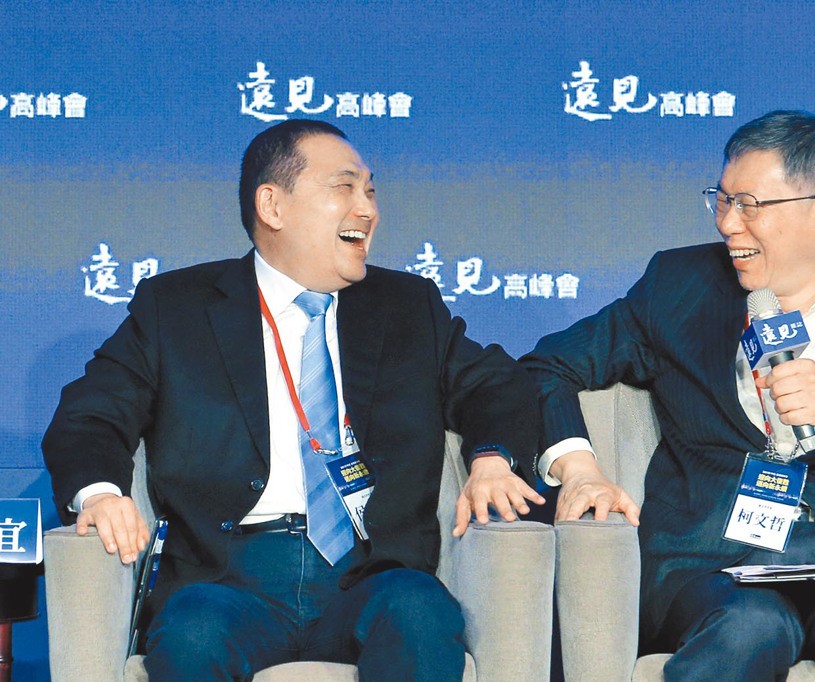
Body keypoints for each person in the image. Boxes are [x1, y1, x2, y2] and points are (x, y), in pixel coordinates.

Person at [43, 119, 544, 681]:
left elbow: (497, 383)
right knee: (192, 632)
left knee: (420, 611)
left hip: (372, 573)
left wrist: (491, 458)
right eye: (344, 187)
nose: (368, 210)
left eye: (370, 191)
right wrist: (100, 494)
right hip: (228, 580)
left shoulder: (406, 306)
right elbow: (91, 413)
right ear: (272, 206)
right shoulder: (175, 308)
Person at [520, 110, 815, 681]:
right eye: (721, 200)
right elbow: (546, 366)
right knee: (749, 629)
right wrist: (579, 469)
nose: (728, 224)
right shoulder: (679, 286)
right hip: (715, 562)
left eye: (749, 205)